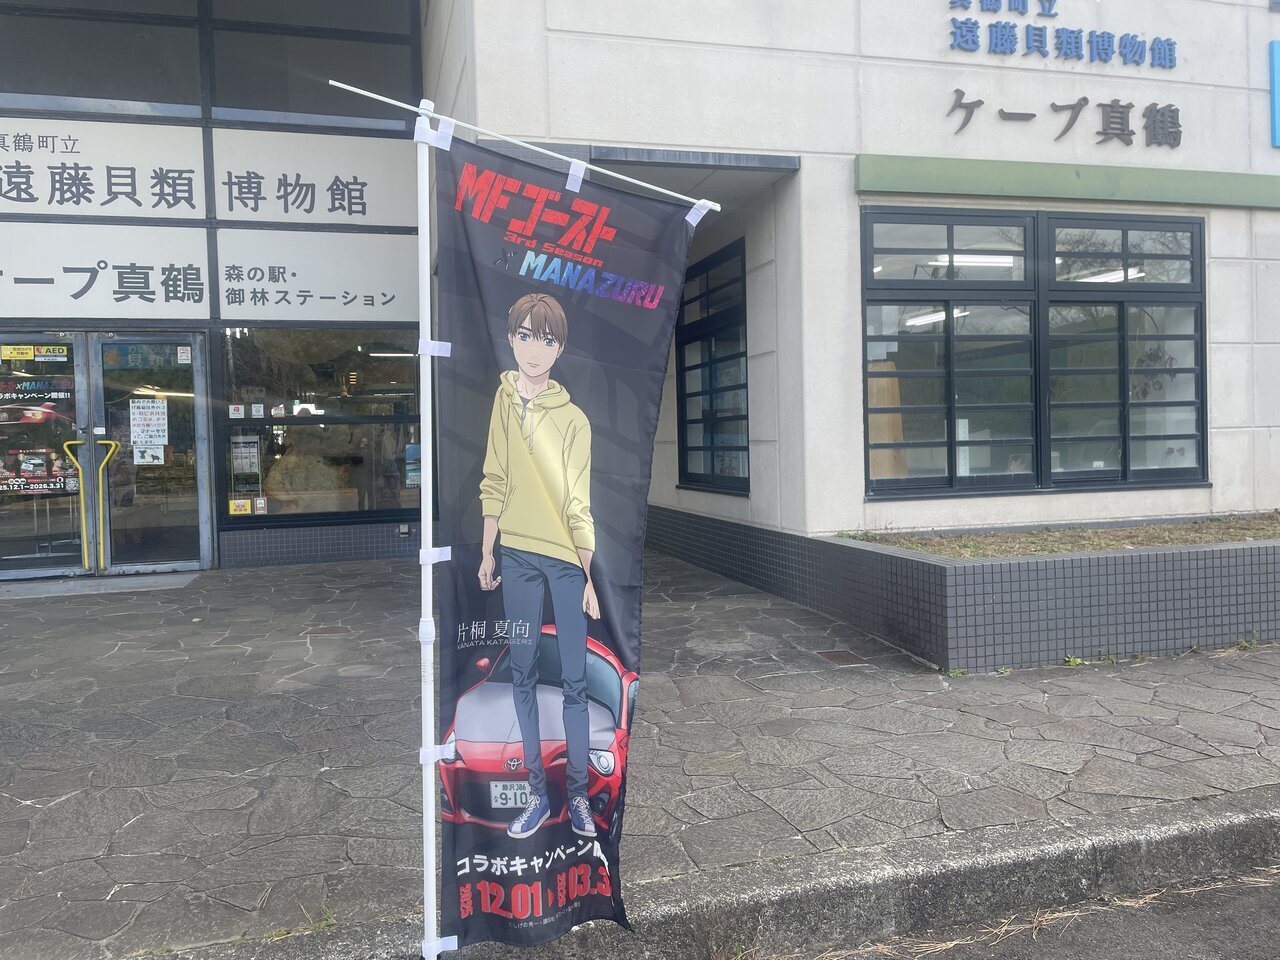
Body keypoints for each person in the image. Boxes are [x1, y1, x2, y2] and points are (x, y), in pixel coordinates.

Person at [477, 292, 598, 841]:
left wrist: (589, 576)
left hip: (566, 561)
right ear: (510, 338)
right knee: (522, 669)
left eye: (547, 339)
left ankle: (577, 797)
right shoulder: (503, 402)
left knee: (574, 679)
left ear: (560, 348)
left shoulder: (575, 421)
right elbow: (495, 477)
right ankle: (536, 795)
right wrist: (488, 550)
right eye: (526, 335)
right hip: (518, 556)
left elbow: (578, 502)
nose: (535, 348)